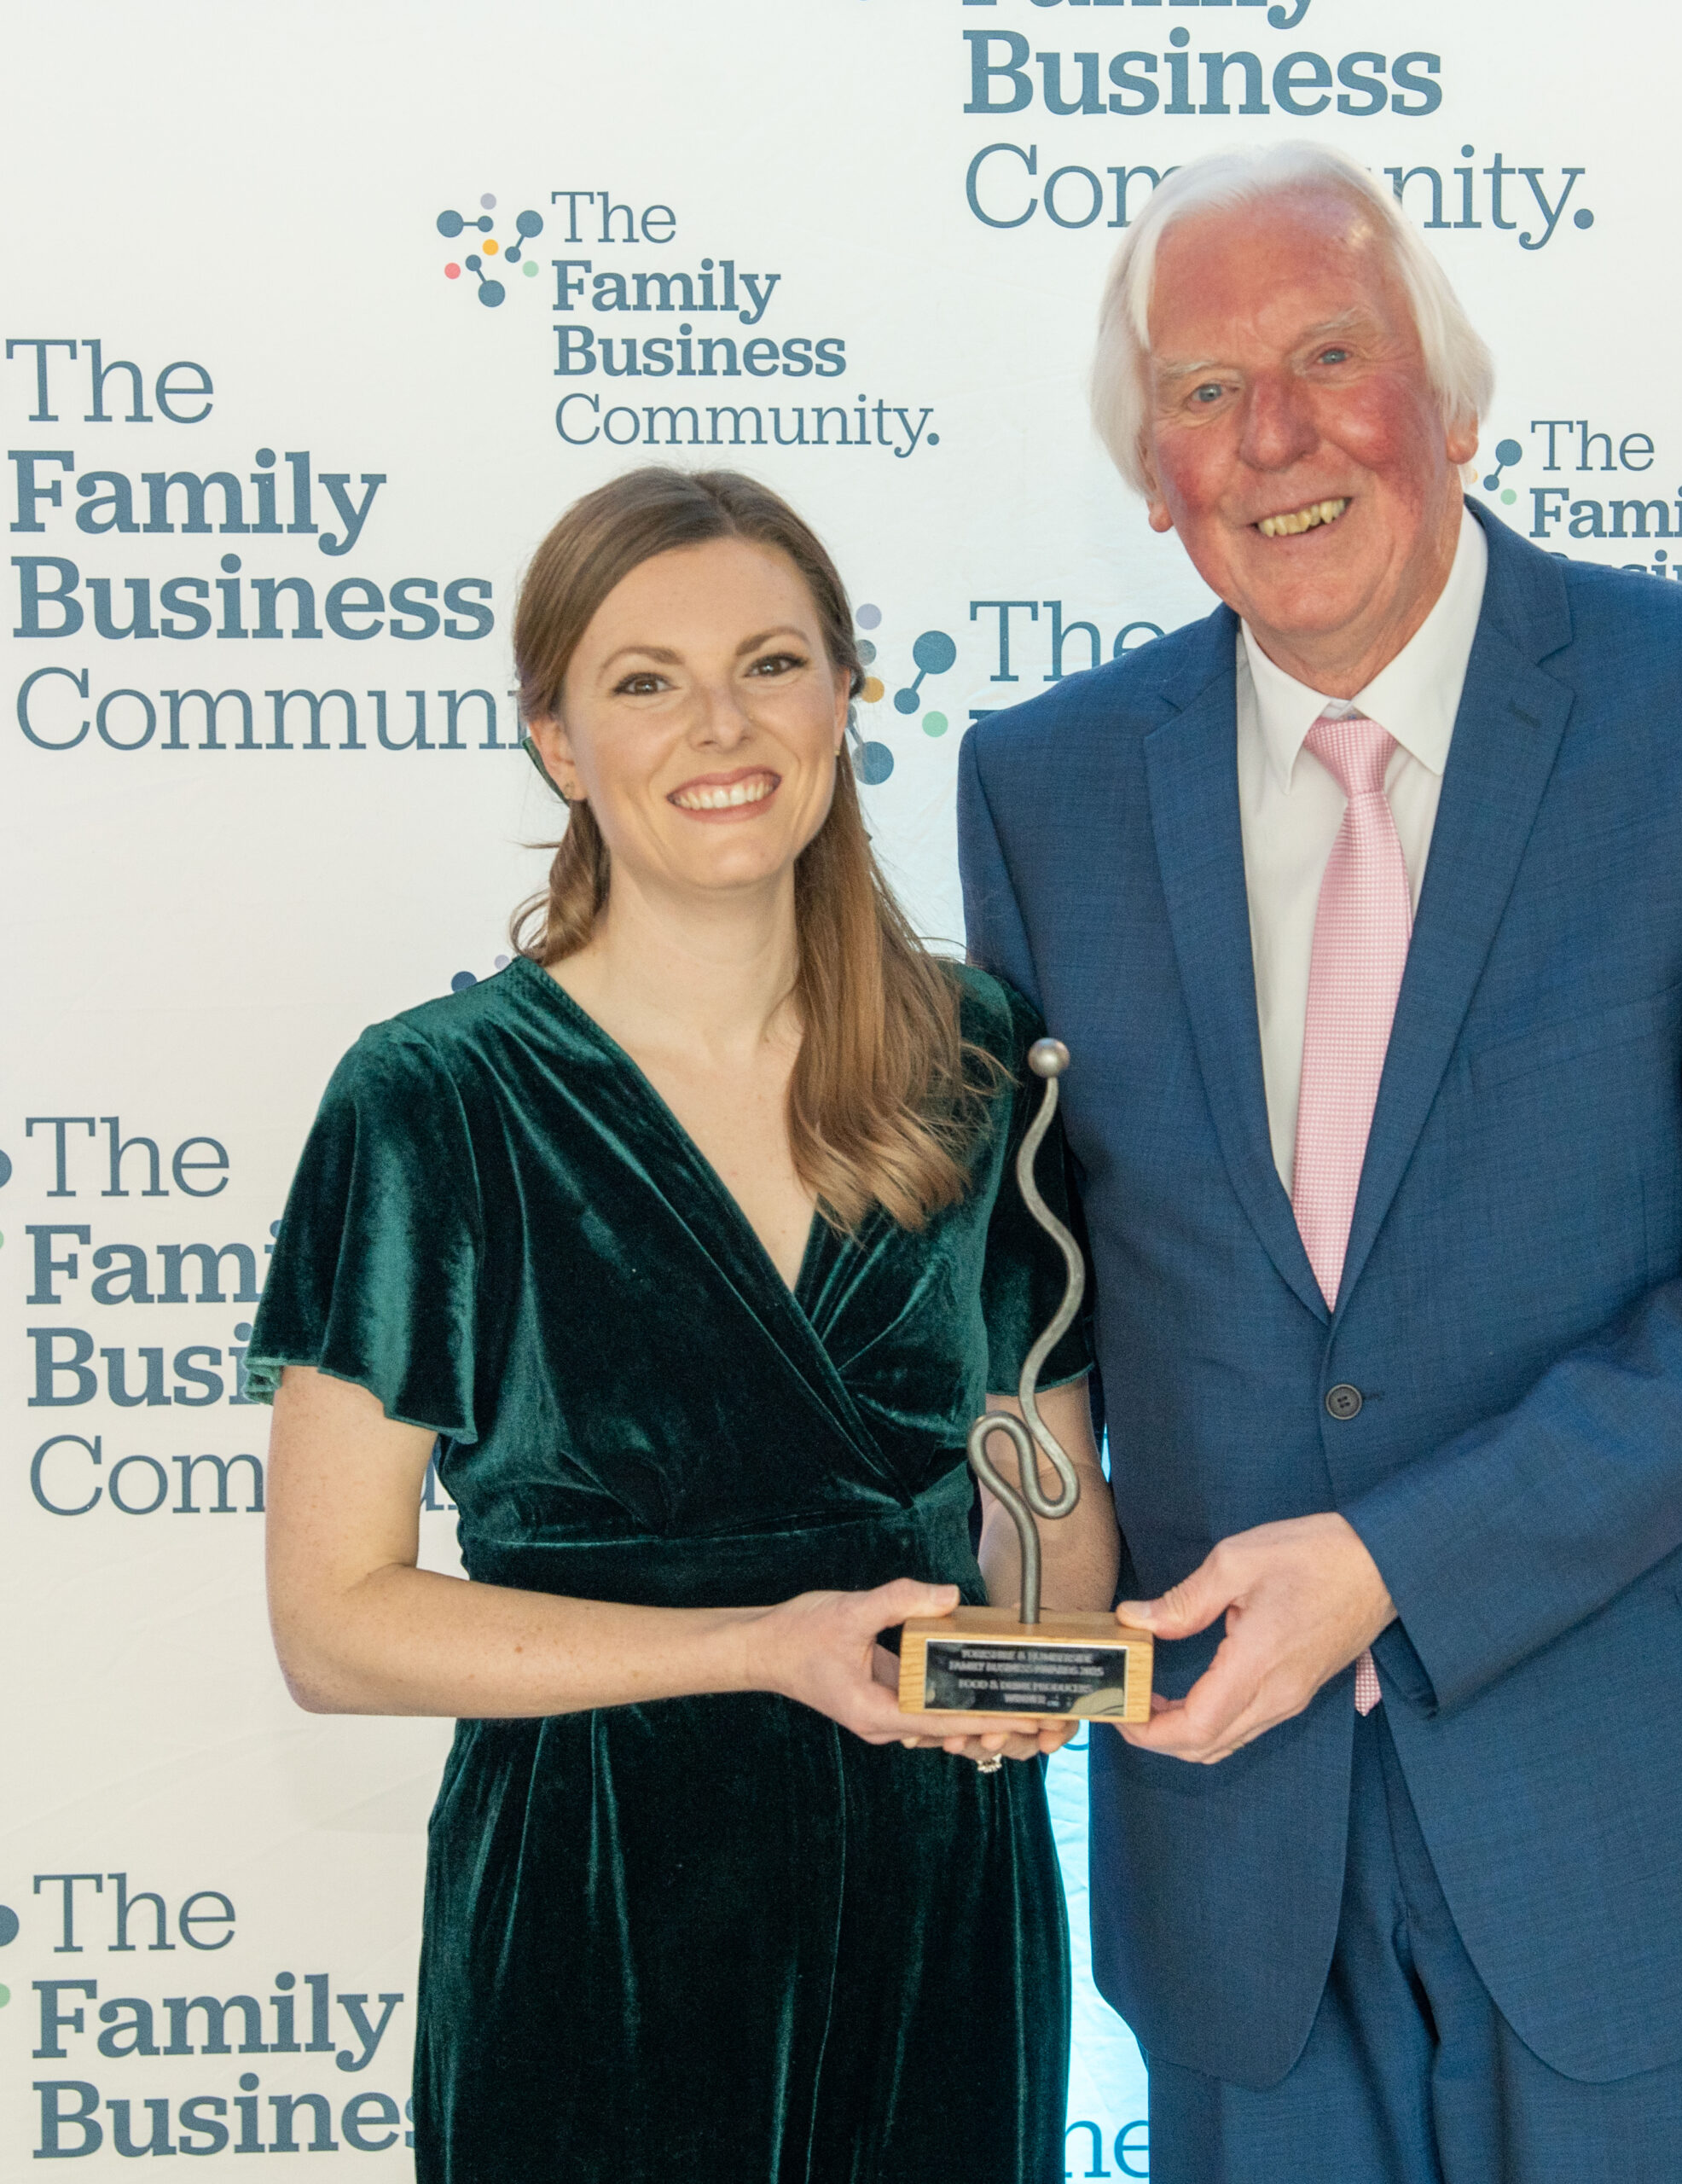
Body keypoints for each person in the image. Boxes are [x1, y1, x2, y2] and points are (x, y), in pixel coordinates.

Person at [957, 144, 1682, 2182]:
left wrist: (1389, 1564)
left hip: (1635, 1823)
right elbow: (1034, 1294)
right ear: (1153, 478)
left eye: (1328, 355)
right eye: (1203, 390)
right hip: (1233, 1843)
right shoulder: (1039, 785)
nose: (1273, 434)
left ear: (1450, 403)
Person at [252, 467, 1116, 2184]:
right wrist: (758, 1647)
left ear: (845, 694)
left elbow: (1052, 1509)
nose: (721, 725)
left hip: (936, 1896)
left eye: (770, 664)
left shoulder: (976, 1059)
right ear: (558, 741)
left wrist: (1030, 1667)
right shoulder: (431, 1101)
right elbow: (332, 1625)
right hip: (597, 1909)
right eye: (645, 679)